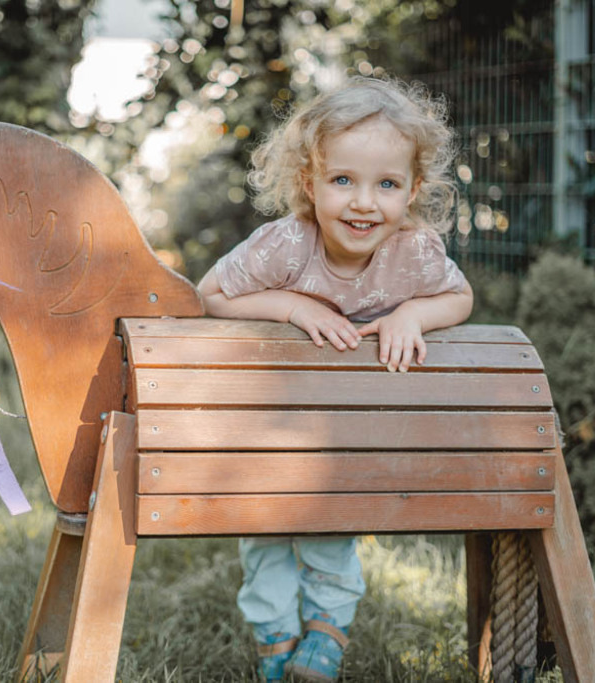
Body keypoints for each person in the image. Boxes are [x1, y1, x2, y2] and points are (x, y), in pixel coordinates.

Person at [198, 76, 474, 682]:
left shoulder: (416, 251)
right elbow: (211, 294)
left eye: (387, 185)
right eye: (343, 180)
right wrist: (294, 306)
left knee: (331, 522)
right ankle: (275, 635)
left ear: (413, 190)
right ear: (310, 183)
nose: (363, 203)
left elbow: (458, 298)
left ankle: (326, 630)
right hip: (272, 423)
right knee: (264, 526)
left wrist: (411, 313)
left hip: (346, 430)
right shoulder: (284, 245)